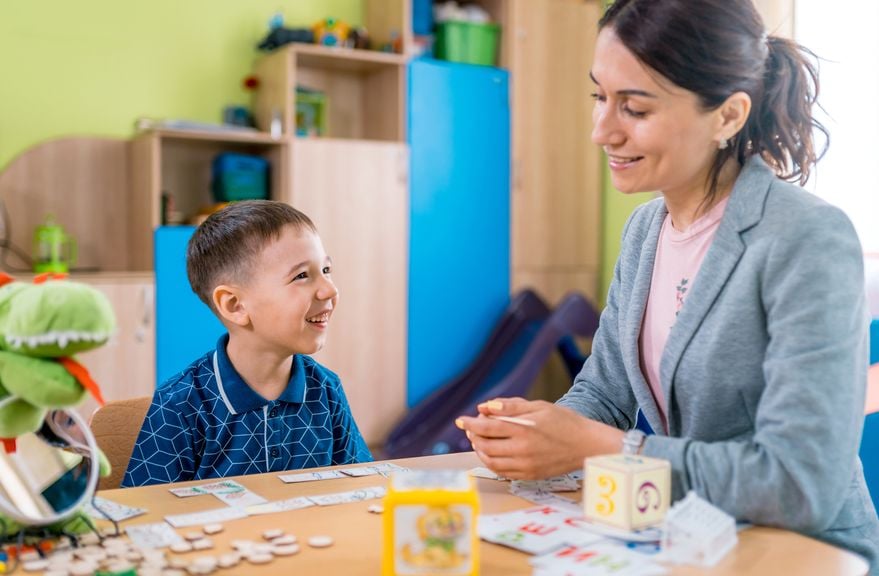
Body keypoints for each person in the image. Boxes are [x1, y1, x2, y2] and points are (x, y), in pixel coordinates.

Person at [456, 0, 879, 569]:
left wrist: (600, 447)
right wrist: (541, 430)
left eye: (633, 107)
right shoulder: (645, 230)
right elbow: (604, 393)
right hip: (688, 536)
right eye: (599, 97)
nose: (601, 130)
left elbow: (798, 485)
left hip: (803, 553)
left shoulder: (807, 237)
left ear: (728, 116)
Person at [123, 200, 371, 487]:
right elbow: (146, 516)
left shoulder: (326, 390)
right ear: (235, 305)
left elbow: (360, 488)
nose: (330, 289)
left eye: (326, 270)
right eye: (302, 276)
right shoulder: (180, 405)